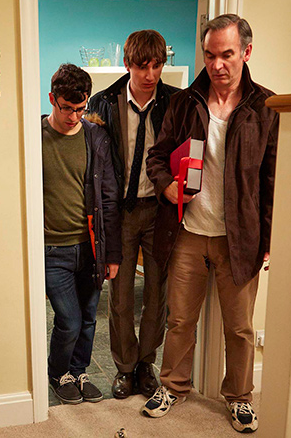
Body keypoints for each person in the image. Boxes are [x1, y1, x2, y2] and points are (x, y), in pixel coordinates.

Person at [141, 14, 278, 434]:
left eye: (227, 54)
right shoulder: (185, 103)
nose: (217, 64)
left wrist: (271, 238)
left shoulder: (266, 107)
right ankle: (174, 386)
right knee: (180, 320)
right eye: (210, 54)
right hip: (188, 234)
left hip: (241, 239)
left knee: (239, 328)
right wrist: (166, 188)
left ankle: (239, 398)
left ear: (246, 53)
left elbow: (273, 178)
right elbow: (157, 157)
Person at [86, 30, 179, 400]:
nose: (150, 74)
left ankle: (146, 364)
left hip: (160, 211)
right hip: (119, 214)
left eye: (157, 65)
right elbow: (93, 164)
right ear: (128, 64)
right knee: (121, 296)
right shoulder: (103, 102)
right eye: (142, 66)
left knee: (157, 292)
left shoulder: (176, 102)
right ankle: (124, 367)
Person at [43, 63, 121, 405]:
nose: (73, 116)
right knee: (69, 320)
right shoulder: (34, 137)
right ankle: (57, 372)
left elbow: (109, 198)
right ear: (52, 99)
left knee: (89, 317)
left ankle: (79, 371)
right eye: (66, 108)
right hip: (51, 249)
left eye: (80, 108)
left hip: (90, 248)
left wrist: (113, 254)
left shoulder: (95, 137)